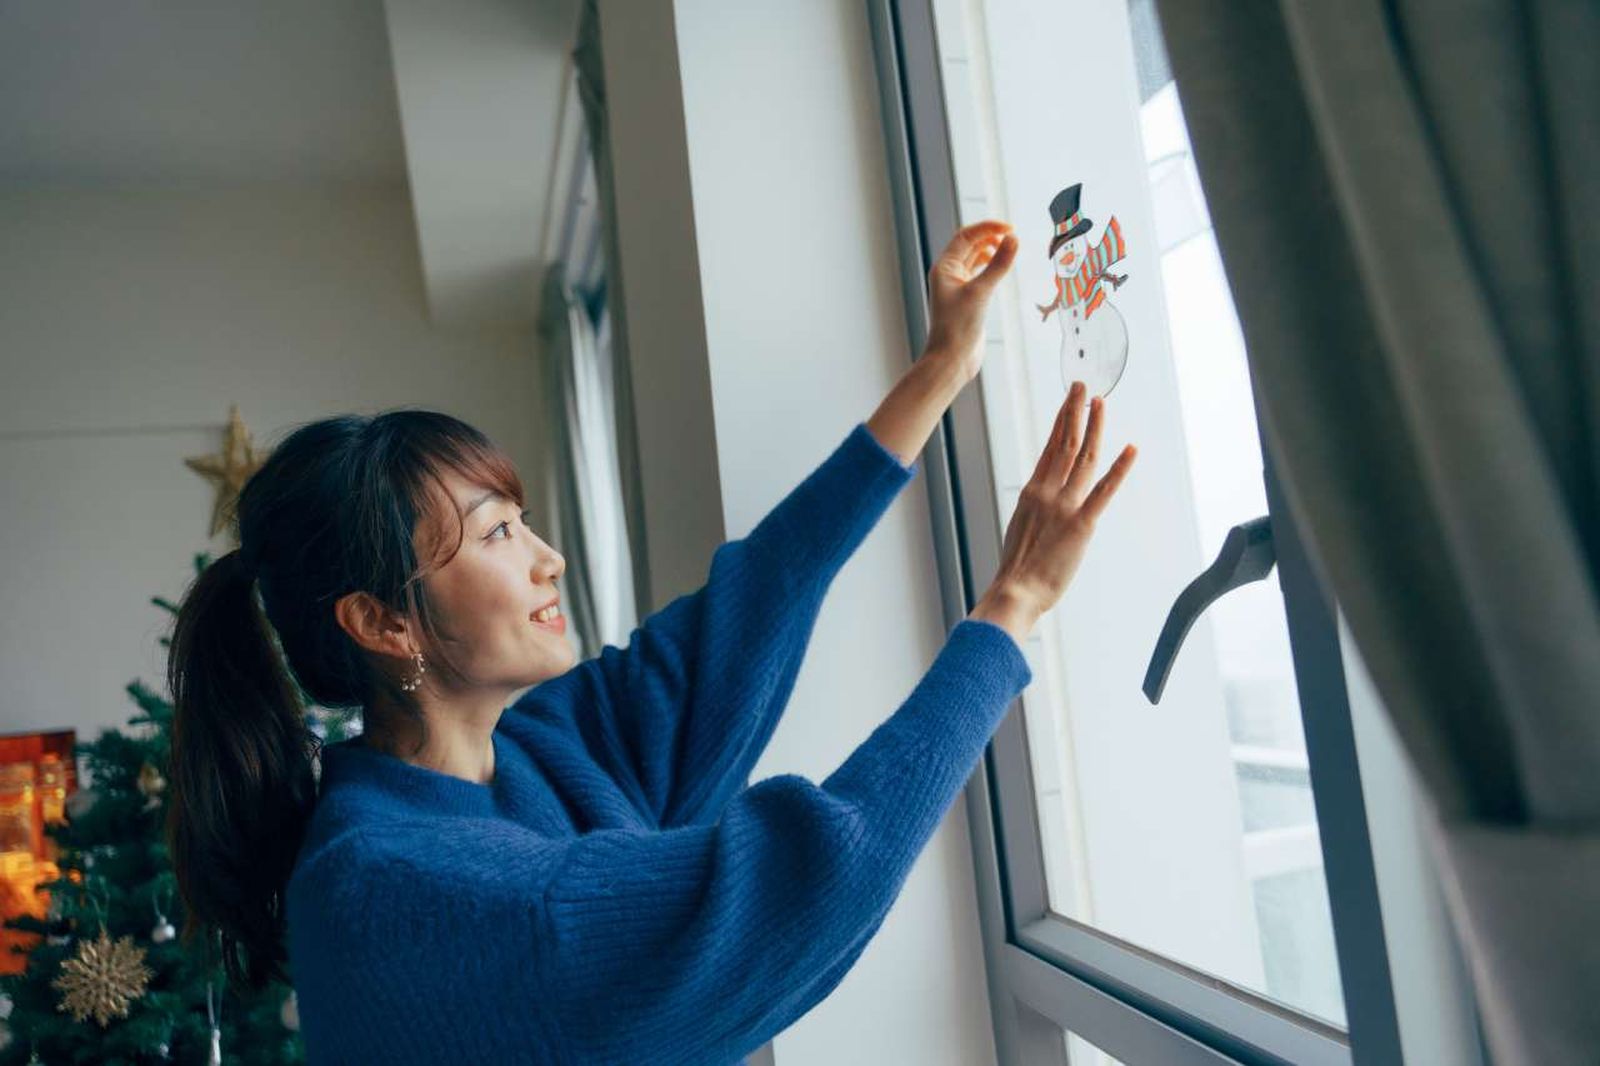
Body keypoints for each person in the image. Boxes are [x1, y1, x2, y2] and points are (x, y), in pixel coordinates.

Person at [163, 220, 1138, 1065]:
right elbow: (810, 879)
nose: (548, 559)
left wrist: (942, 368)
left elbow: (752, 603)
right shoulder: (392, 891)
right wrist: (1011, 605)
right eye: (498, 534)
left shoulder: (535, 745)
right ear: (382, 621)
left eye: (523, 521)